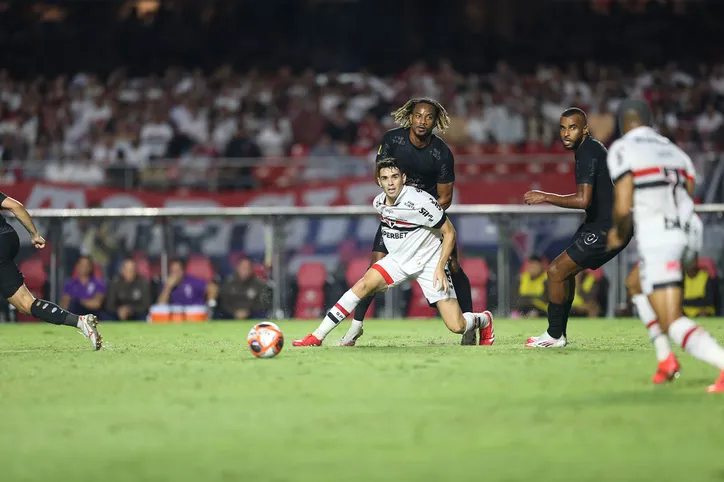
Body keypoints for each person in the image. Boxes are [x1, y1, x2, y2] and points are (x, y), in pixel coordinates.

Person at [293, 158, 494, 347]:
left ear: (403, 178)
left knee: (456, 326)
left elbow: (449, 232)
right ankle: (317, 336)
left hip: (429, 264)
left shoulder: (421, 202)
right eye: (385, 178)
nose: (391, 183)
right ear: (378, 182)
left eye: (395, 177)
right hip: (398, 262)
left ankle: (484, 319)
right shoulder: (378, 202)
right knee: (363, 285)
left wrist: (440, 268)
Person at [606, 99, 724, 393]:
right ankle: (666, 360)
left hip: (661, 239)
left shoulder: (623, 148)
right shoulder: (676, 151)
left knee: (672, 320)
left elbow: (622, 207)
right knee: (634, 284)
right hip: (689, 233)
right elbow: (688, 192)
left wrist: (618, 235)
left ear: (623, 123)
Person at [343, 98, 481, 346]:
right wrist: (401, 206)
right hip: (396, 216)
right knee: (374, 268)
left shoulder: (441, 153)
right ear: (410, 116)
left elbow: (446, 198)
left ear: (435, 121)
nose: (422, 121)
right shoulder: (393, 140)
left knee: (454, 265)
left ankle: (469, 324)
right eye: (418, 116)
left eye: (429, 117)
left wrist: (420, 214)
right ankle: (356, 326)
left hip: (427, 220)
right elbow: (379, 176)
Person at [524, 107, 632, 347]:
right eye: (562, 128)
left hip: (608, 226)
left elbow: (584, 200)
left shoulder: (587, 152)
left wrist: (545, 196)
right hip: (598, 222)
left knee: (555, 271)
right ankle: (556, 335)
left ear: (584, 129)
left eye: (572, 127)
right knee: (564, 272)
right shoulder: (589, 148)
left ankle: (554, 335)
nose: (566, 133)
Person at [0, 193, 101, 349]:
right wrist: (35, 234)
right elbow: (16, 206)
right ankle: (80, 321)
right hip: (8, 238)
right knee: (25, 304)